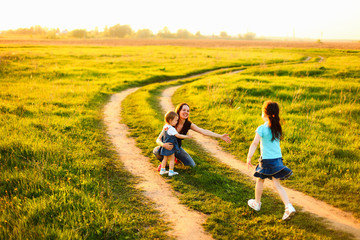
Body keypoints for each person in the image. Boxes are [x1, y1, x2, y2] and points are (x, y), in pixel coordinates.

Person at [246, 100, 296, 221]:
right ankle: (288, 206)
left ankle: (257, 203)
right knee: (277, 184)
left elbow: (254, 144)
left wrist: (249, 157)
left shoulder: (262, 128)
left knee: (260, 180)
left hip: (267, 160)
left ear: (265, 113)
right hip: (278, 159)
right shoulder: (277, 128)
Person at [153, 102, 231, 168]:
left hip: (177, 149)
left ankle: (175, 158)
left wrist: (220, 136)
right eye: (184, 110)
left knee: (191, 165)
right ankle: (164, 163)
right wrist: (163, 145)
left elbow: (203, 131)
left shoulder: (188, 124)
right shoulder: (171, 123)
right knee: (156, 151)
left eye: (188, 111)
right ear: (179, 111)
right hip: (166, 147)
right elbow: (158, 139)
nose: (186, 112)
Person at [159, 111, 192, 176]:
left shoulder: (165, 127)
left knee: (165, 158)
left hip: (166, 145)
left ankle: (162, 170)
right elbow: (178, 136)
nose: (176, 122)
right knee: (172, 159)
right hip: (170, 146)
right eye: (176, 120)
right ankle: (171, 171)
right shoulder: (171, 129)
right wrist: (187, 137)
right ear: (171, 120)